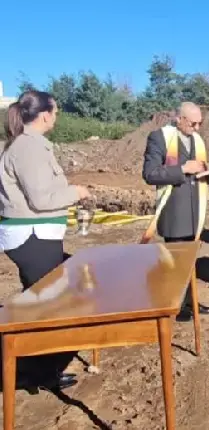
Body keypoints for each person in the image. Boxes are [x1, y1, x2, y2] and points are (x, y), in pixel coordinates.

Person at [0, 90, 92, 391]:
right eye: (56, 110)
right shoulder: (29, 148)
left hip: (36, 235)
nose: (57, 115)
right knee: (46, 306)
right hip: (33, 236)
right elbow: (41, 198)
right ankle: (34, 372)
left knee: (42, 301)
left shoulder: (31, 145)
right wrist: (75, 193)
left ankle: (34, 368)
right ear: (45, 115)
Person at [141, 102, 209, 322]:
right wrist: (182, 169)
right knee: (174, 263)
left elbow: (201, 173)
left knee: (189, 260)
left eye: (200, 123)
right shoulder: (159, 138)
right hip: (174, 213)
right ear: (179, 119)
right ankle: (176, 305)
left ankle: (189, 301)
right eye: (193, 123)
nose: (197, 127)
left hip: (195, 212)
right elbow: (150, 173)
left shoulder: (197, 141)